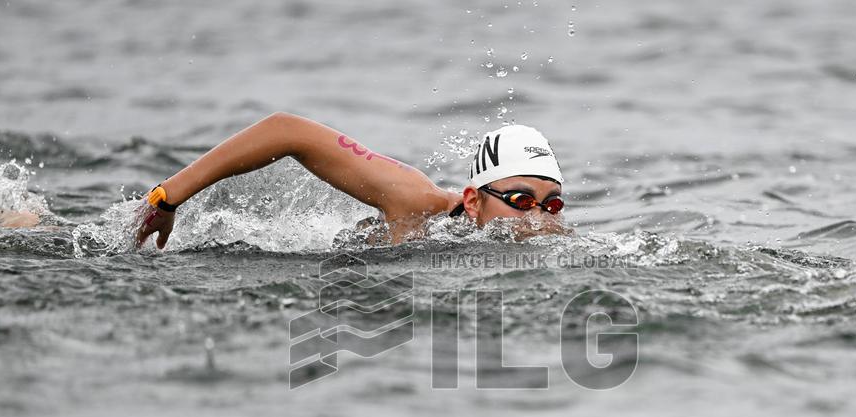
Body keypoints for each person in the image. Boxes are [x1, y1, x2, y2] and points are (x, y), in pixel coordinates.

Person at [136, 112, 571, 248]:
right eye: (521, 199)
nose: (539, 218)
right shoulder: (414, 199)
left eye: (552, 204)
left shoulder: (562, 246)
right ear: (473, 200)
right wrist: (167, 198)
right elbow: (287, 130)